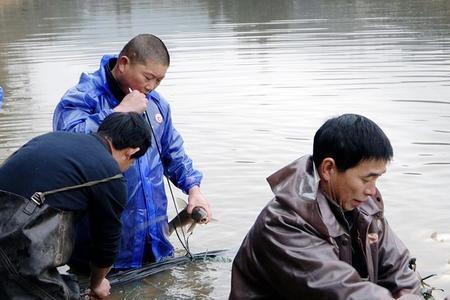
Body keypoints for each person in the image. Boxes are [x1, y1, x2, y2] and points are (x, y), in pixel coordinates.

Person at [53, 33, 212, 269]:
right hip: (99, 251)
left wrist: (194, 189)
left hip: (155, 243)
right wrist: (120, 112)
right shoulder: (81, 97)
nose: (151, 87)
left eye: (159, 80)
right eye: (147, 77)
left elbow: (173, 153)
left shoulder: (156, 105)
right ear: (124, 63)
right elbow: (69, 145)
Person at [230, 114, 423, 300]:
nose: (372, 191)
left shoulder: (368, 209)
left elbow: (400, 270)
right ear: (328, 169)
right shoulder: (282, 222)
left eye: (377, 178)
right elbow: (338, 290)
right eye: (366, 179)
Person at [0, 112, 151, 299]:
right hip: (13, 242)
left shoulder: (53, 138)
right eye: (133, 161)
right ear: (131, 152)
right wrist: (97, 284)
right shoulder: (110, 174)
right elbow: (107, 243)